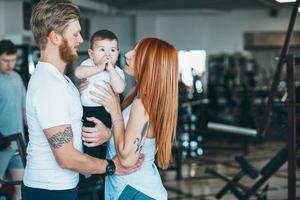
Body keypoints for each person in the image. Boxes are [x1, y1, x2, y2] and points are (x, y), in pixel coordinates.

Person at [22, 1, 143, 200]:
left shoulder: (63, 80)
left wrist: (107, 133)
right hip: (49, 192)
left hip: (61, 187)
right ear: (55, 37)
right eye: (75, 34)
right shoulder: (50, 86)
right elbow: (66, 157)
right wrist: (112, 166)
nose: (81, 39)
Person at [91, 37, 179, 200]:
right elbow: (128, 135)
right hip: (129, 189)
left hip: (136, 190)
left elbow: (127, 159)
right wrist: (108, 134)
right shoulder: (136, 93)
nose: (129, 54)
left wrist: (115, 111)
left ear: (151, 64)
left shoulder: (142, 103)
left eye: (138, 53)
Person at [75, 29, 125, 159]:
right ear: (91, 54)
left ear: (118, 53)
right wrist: (98, 68)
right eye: (102, 50)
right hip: (86, 111)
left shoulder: (117, 71)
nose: (107, 54)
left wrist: (110, 70)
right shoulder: (88, 64)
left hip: (106, 111)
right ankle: (90, 170)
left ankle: (99, 169)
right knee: (88, 140)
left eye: (113, 50)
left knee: (105, 143)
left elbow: (119, 88)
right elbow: (78, 73)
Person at [0, 39, 26, 200]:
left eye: (12, 60)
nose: (9, 64)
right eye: (5, 61)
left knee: (20, 188)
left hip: (18, 144)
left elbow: (25, 111)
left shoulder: (17, 78)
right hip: (1, 145)